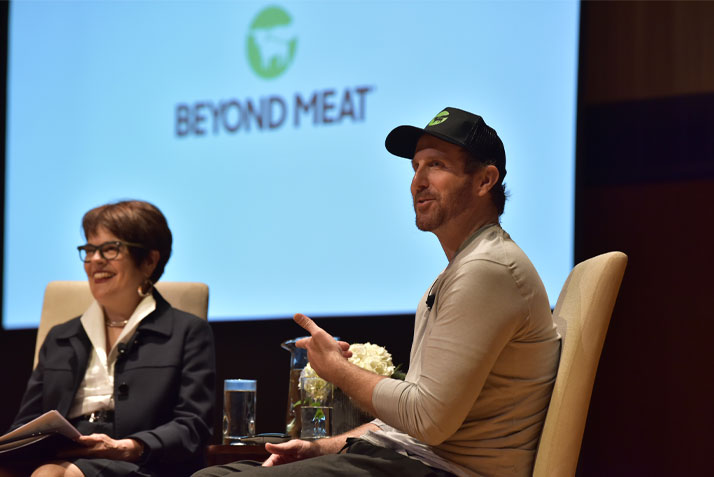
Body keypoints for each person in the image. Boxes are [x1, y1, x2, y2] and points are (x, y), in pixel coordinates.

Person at [195, 107, 560, 477]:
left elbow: (425, 418)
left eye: (436, 165)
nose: (418, 181)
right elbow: (412, 422)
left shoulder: (488, 270)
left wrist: (338, 371)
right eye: (415, 167)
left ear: (485, 180)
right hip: (411, 460)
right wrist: (319, 448)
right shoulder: (467, 267)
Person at [8, 200, 216, 477]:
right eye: (90, 250)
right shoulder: (62, 336)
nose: (95, 260)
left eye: (110, 249)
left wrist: (130, 446)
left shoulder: (187, 331)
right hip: (60, 455)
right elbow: (26, 424)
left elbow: (193, 426)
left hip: (140, 464)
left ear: (149, 260)